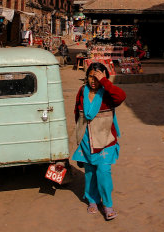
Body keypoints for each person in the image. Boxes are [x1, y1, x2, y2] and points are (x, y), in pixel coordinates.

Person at [72, 62, 126, 220]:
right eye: (91, 76)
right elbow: (77, 113)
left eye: (98, 77)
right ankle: (92, 201)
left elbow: (121, 96)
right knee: (90, 173)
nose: (94, 80)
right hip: (86, 140)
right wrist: (78, 136)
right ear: (86, 77)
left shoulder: (108, 93)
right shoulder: (82, 91)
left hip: (106, 140)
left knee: (103, 172)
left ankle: (107, 205)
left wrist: (105, 82)